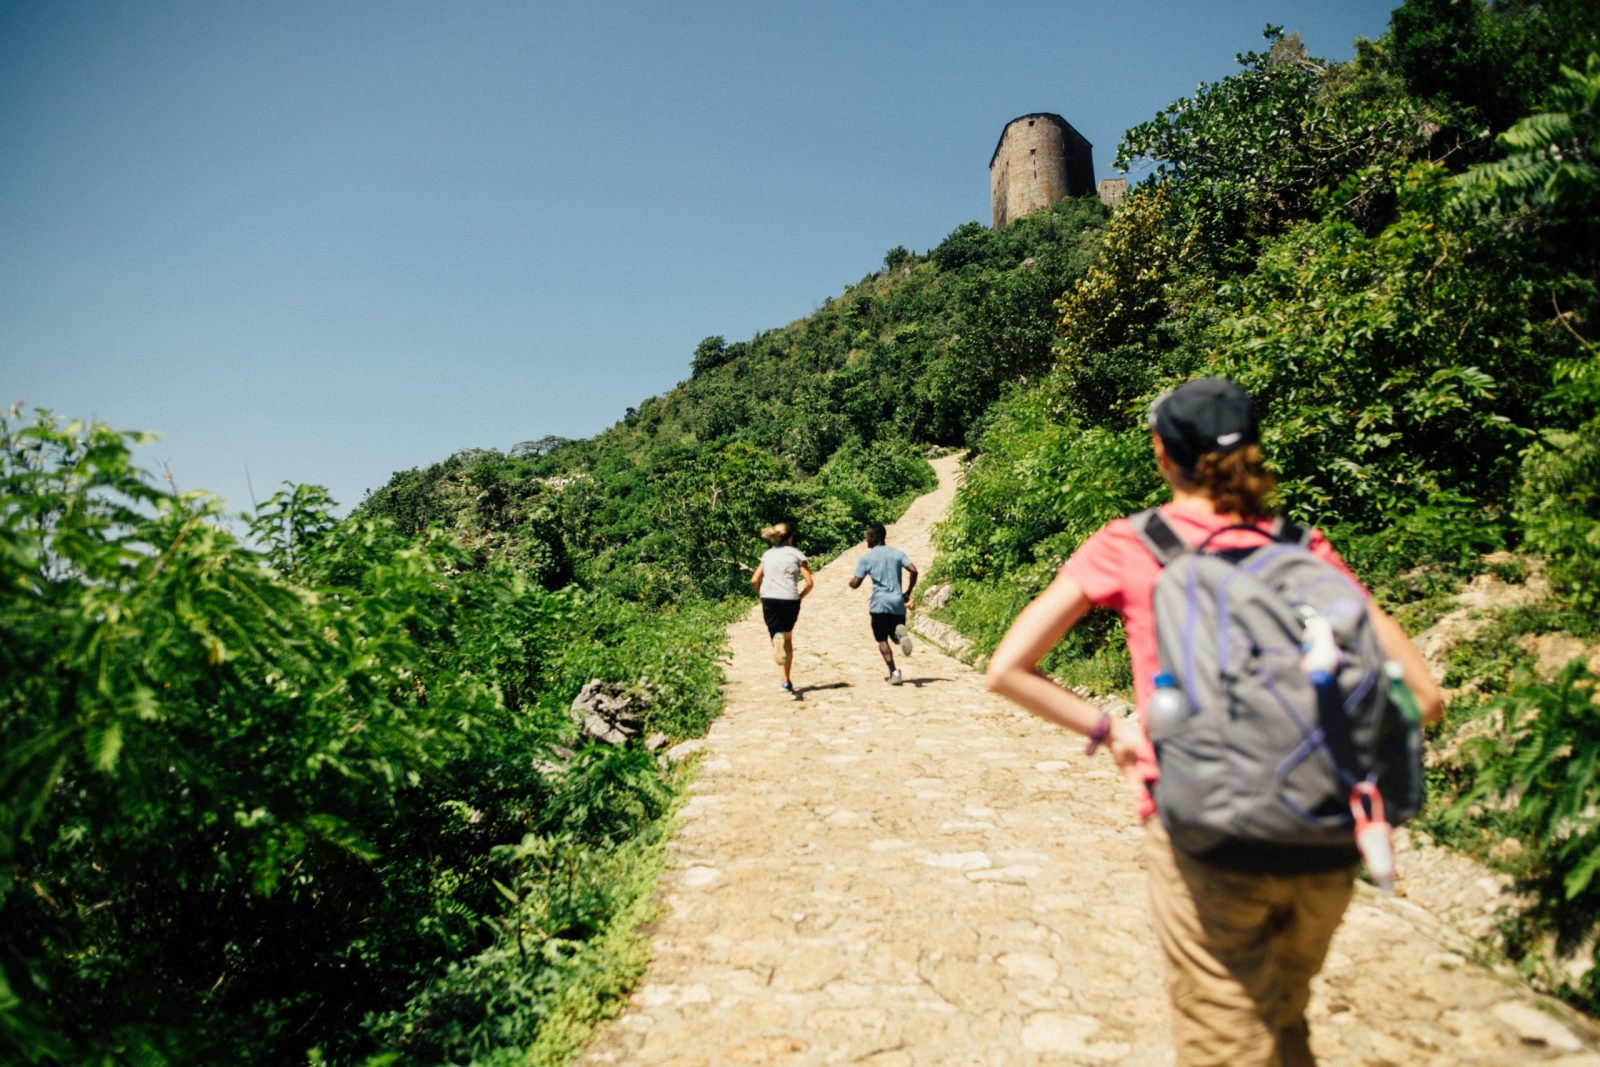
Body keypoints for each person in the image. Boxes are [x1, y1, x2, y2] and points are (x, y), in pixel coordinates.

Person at [984, 377, 1442, 1067]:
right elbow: (1425, 695)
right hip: (1326, 834)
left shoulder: (1130, 544)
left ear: (1161, 452)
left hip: (1205, 831)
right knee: (1284, 1015)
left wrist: (1116, 731)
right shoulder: (1301, 545)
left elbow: (1007, 667)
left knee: (1227, 1038)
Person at [848, 522, 918, 685]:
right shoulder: (898, 553)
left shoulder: (866, 558)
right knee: (895, 631)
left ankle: (894, 672)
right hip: (897, 603)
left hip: (879, 604)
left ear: (874, 537)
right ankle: (900, 637)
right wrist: (907, 592)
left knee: (882, 640)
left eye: (868, 536)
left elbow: (856, 583)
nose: (866, 540)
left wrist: (851, 582)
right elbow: (914, 570)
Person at [751, 522, 813, 693]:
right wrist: (799, 597)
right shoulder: (797, 554)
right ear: (790, 537)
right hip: (790, 599)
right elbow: (809, 583)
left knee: (777, 634)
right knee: (788, 637)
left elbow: (754, 580)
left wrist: (761, 595)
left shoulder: (767, 555)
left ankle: (776, 640)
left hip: (769, 598)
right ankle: (786, 680)